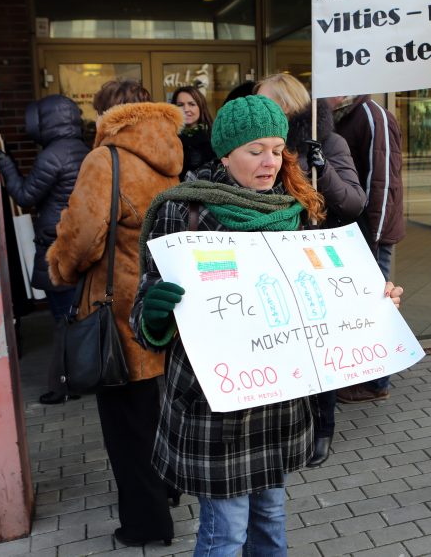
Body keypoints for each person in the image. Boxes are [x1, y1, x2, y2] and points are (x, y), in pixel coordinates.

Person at [131, 95, 403, 555]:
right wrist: (154, 312)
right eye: (255, 150)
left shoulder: (294, 211)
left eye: (277, 149)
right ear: (225, 154)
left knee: (272, 521)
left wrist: (370, 302)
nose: (270, 161)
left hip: (277, 400)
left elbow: (316, 302)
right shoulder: (184, 211)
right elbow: (144, 316)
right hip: (215, 406)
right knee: (226, 533)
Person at [46, 80, 183, 547]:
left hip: (119, 312)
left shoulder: (105, 159)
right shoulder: (171, 154)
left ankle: (147, 525)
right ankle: (167, 489)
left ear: (108, 114)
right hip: (163, 307)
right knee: (157, 414)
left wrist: (59, 269)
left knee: (127, 429)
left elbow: (83, 238)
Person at [255, 74, 366, 468]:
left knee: (318, 352)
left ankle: (322, 427)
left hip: (310, 261)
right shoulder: (256, 147)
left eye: (267, 102)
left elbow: (353, 203)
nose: (261, 109)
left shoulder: (329, 142)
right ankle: (285, 425)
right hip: (268, 262)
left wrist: (323, 167)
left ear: (286, 104)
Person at [0, 94, 89, 402]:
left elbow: (24, 196)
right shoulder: (85, 150)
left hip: (56, 246)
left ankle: (65, 385)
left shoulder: (53, 155)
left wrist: (6, 165)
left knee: (63, 319)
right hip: (80, 243)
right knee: (78, 316)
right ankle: (82, 376)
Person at [330, 95, 405, 404]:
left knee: (378, 302)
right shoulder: (342, 115)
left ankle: (377, 382)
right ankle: (363, 373)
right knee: (359, 304)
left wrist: (373, 235)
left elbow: (383, 182)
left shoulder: (372, 115)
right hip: (352, 230)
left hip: (370, 232)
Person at [171, 85, 216, 180]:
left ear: (201, 107)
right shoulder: (168, 137)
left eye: (191, 104)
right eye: (180, 105)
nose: (186, 109)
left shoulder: (214, 137)